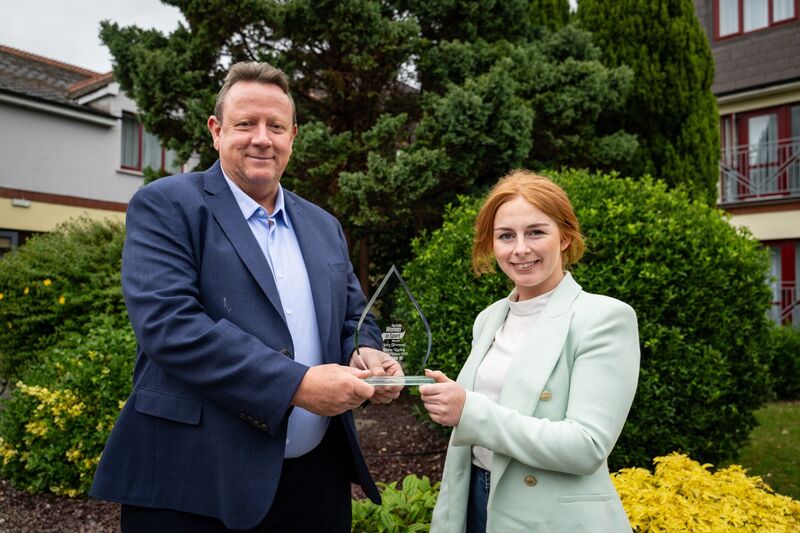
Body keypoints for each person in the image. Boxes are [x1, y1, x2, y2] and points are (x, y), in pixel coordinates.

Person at [90, 61, 401, 532]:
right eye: (245, 124)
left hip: (314, 482)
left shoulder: (322, 224)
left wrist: (367, 353)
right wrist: (296, 385)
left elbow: (353, 318)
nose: (262, 138)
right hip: (196, 482)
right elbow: (170, 326)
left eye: (275, 126)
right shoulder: (167, 205)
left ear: (293, 136)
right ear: (216, 131)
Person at [420, 170, 640, 533]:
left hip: (550, 517)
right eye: (506, 236)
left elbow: (585, 446)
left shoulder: (603, 318)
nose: (520, 249)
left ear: (566, 237)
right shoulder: (490, 318)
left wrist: (468, 410)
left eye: (536, 232)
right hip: (474, 499)